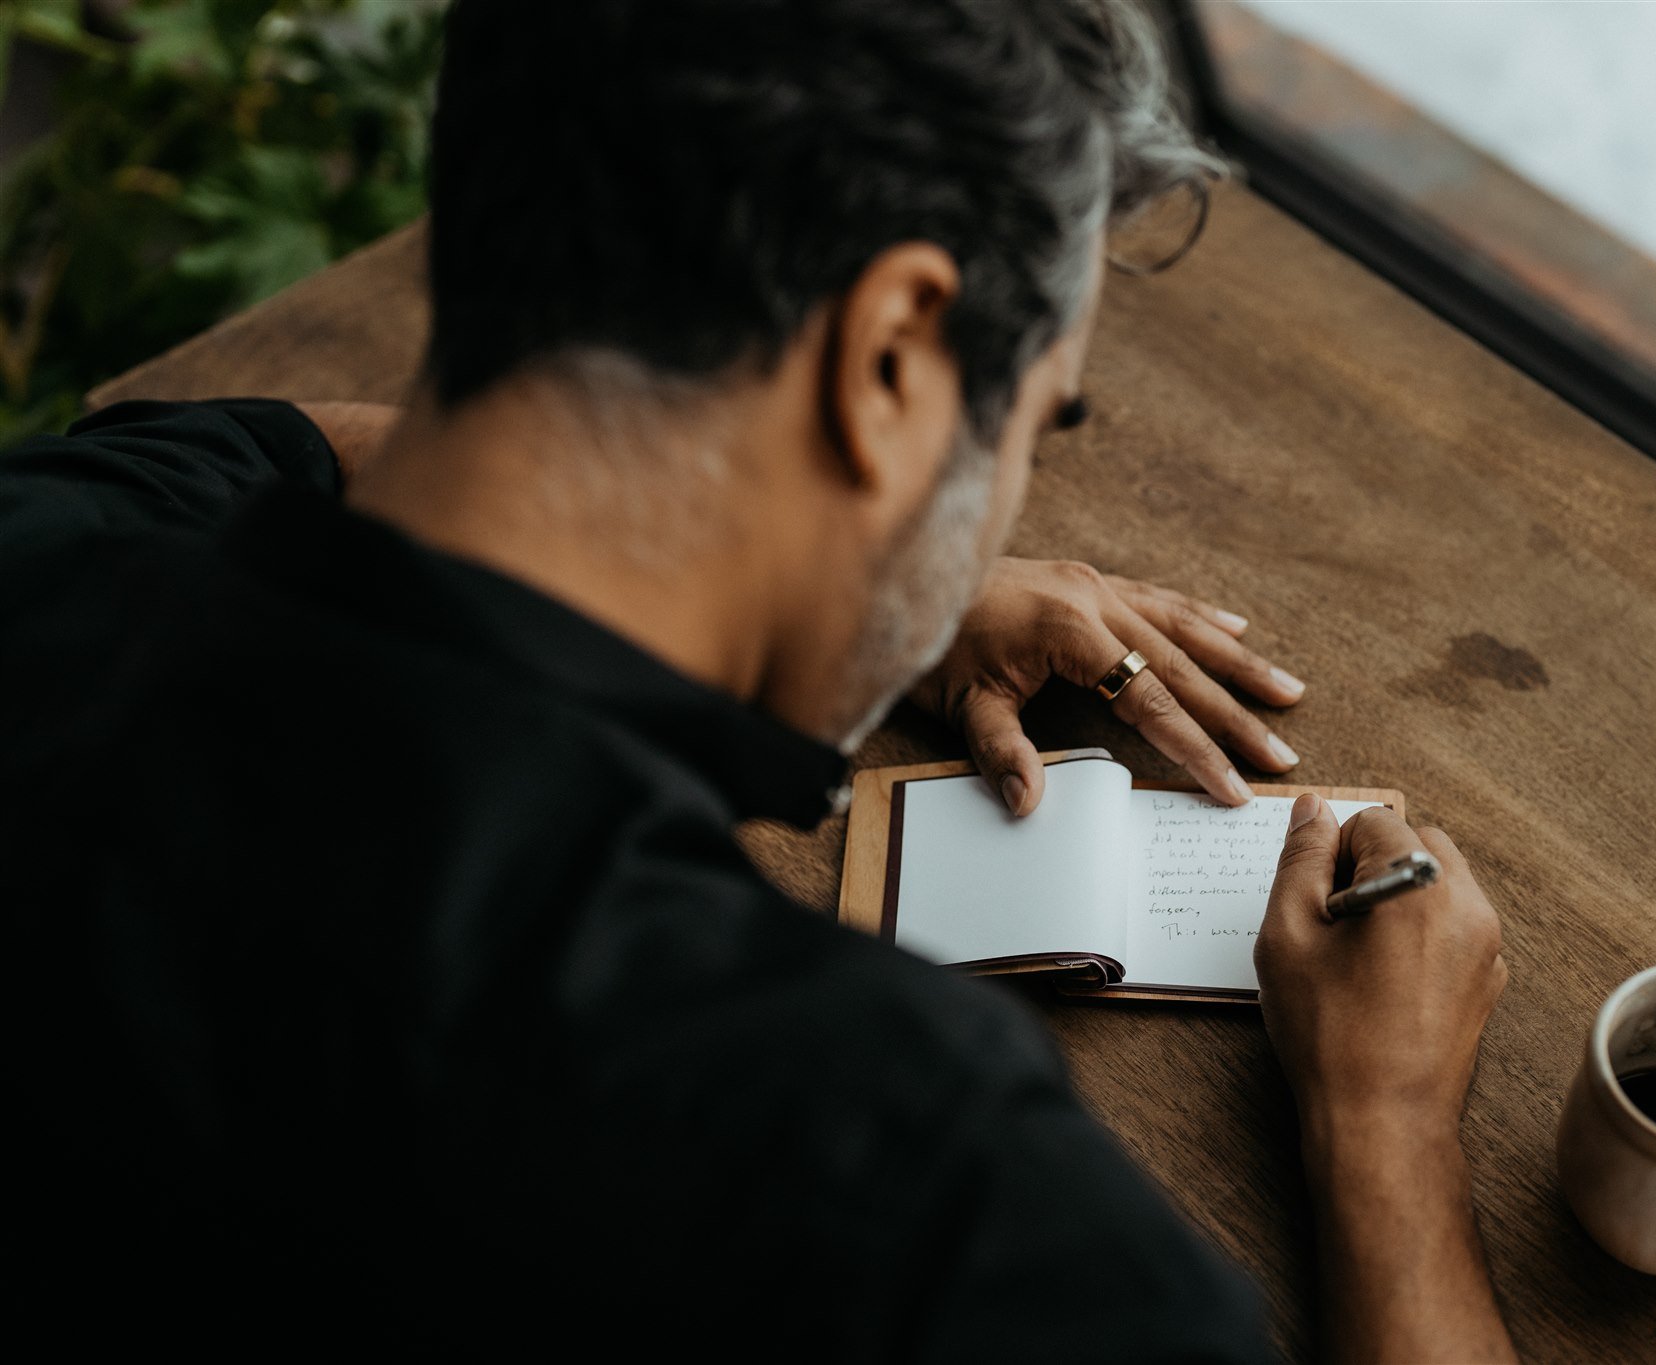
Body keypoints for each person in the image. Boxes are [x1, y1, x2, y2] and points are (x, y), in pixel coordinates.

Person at [2, 1, 1512, 1358]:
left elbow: (273, 451)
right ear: (888, 365)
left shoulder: (48, 540)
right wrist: (1382, 1129)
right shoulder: (933, 1205)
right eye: (1027, 431)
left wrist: (851, 563)